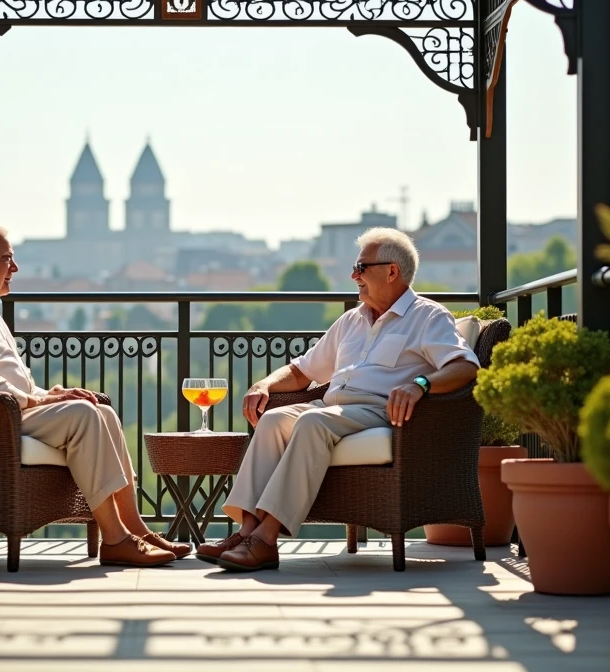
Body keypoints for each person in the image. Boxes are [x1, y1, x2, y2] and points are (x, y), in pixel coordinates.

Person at [199, 227, 481, 572]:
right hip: (331, 407)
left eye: (361, 267)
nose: (353, 275)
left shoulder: (428, 317)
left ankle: (266, 539)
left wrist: (420, 383)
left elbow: (465, 366)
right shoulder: (352, 320)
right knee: (273, 419)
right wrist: (265, 385)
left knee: (312, 421)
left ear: (392, 271)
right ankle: (246, 533)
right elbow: (302, 371)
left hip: (379, 411)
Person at [0, 222, 190, 567]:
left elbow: (7, 380)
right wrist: (40, 400)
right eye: (7, 259)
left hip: (9, 410)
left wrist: (50, 393)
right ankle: (115, 540)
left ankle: (136, 529)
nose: (14, 269)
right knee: (84, 415)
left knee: (101, 411)